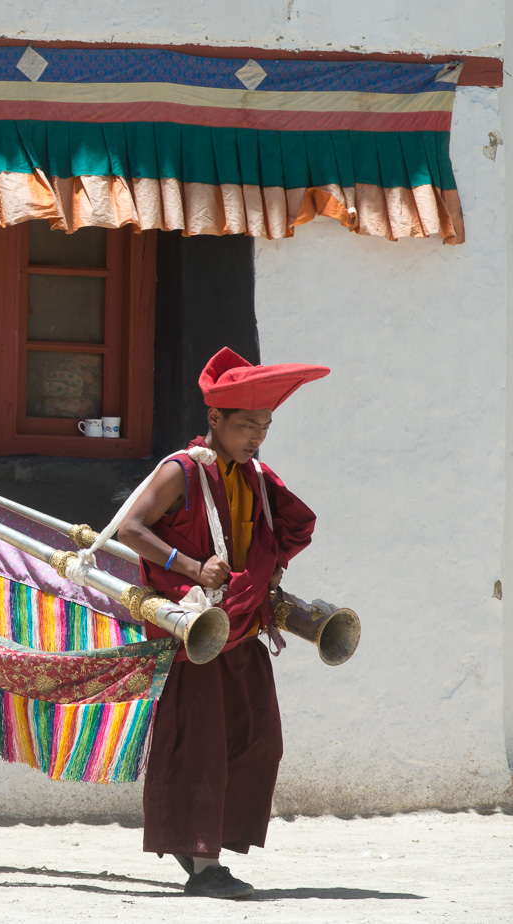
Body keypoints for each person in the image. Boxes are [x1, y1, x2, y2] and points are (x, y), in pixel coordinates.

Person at [115, 347, 328, 899]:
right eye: (247, 425)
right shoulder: (180, 470)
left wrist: (267, 571)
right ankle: (203, 865)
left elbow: (286, 528)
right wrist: (189, 566)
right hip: (195, 631)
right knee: (199, 745)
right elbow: (131, 529)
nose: (257, 436)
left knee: (259, 739)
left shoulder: (254, 475)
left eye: (265, 426)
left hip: (241, 628)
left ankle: (210, 847)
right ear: (215, 419)